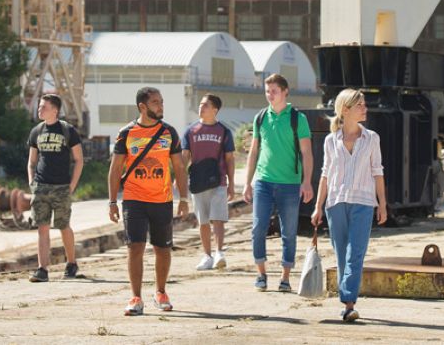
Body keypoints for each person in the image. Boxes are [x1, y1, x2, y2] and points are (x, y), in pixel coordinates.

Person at [108, 87, 189, 316]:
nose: (161, 106)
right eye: (155, 102)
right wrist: (112, 202)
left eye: (161, 101)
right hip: (134, 199)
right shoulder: (126, 133)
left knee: (162, 248)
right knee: (135, 246)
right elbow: (115, 170)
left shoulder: (169, 132)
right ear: (142, 107)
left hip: (162, 199)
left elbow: (179, 168)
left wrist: (183, 198)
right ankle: (136, 297)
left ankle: (161, 292)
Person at [311, 89, 387, 322]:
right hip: (335, 203)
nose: (365, 108)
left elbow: (377, 172)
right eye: (360, 105)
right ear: (345, 110)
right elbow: (325, 174)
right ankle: (348, 304)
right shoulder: (330, 140)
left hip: (363, 203)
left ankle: (348, 301)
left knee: (356, 253)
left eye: (364, 104)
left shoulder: (372, 138)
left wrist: (382, 203)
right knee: (342, 254)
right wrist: (317, 206)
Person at [243, 73, 314, 292]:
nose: (270, 95)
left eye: (274, 91)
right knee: (257, 229)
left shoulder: (297, 119)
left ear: (285, 91)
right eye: (267, 91)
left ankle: (285, 276)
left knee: (289, 232)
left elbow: (307, 153)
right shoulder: (261, 117)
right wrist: (247, 182)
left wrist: (307, 182)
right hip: (263, 182)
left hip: (290, 184)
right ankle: (261, 274)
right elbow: (253, 151)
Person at [27, 94, 84, 282]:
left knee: (63, 226)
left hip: (61, 187)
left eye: (43, 107)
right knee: (42, 227)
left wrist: (72, 186)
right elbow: (31, 162)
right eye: (39, 106)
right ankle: (42, 269)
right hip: (41, 187)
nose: (39, 109)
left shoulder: (68, 131)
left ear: (55, 110)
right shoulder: (36, 131)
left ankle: (71, 263)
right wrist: (32, 184)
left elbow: (79, 160)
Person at [182, 94, 235, 271]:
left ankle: (219, 252)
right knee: (203, 220)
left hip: (218, 180)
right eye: (200, 104)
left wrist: (231, 184)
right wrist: (179, 178)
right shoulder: (190, 131)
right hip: (198, 181)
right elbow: (184, 157)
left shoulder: (224, 131)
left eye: (205, 105)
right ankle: (207, 256)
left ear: (215, 109)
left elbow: (229, 159)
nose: (201, 107)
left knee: (218, 218)